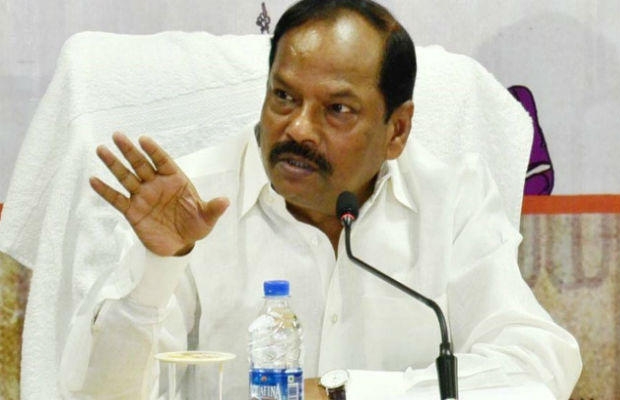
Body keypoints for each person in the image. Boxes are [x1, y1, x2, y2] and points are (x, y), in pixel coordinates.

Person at [60, 0, 582, 399]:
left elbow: (536, 368)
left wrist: (343, 393)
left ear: (397, 130)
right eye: (284, 97)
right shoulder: (189, 203)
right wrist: (159, 267)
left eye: (337, 109)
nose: (298, 129)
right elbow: (100, 396)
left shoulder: (451, 199)